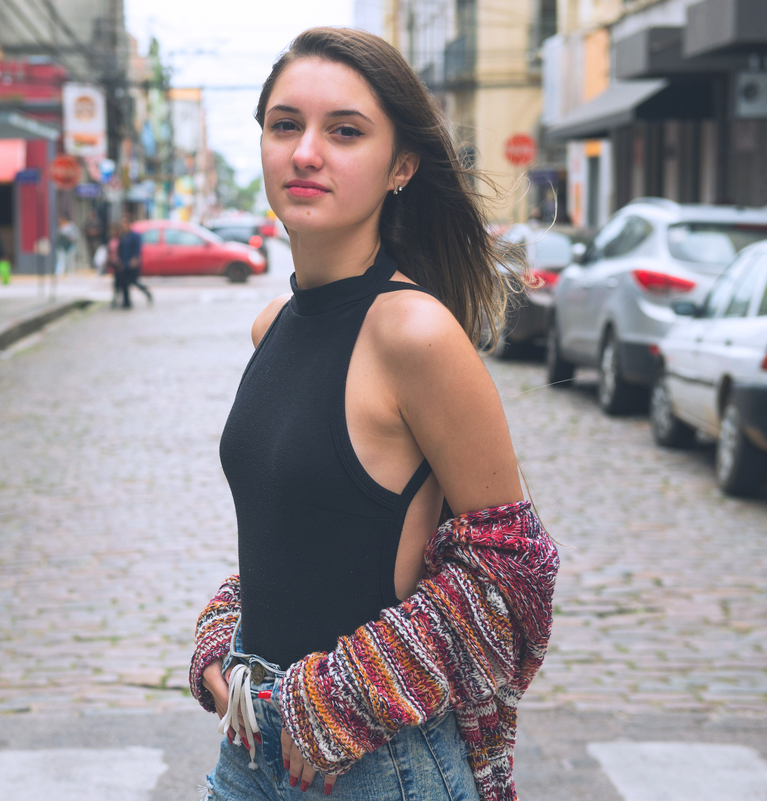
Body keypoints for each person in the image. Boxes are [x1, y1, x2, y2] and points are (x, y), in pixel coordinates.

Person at [187, 28, 559, 801]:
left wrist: (338, 702)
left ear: (401, 166)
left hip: (374, 765)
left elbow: (514, 570)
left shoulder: (413, 332)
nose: (306, 151)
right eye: (285, 125)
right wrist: (228, 634)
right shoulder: (272, 323)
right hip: (252, 744)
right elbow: (300, 528)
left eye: (345, 131)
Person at [116, 215, 152, 308]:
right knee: (124, 283)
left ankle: (146, 292)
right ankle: (126, 302)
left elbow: (137, 249)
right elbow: (121, 249)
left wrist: (135, 259)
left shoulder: (135, 236)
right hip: (124, 263)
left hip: (132, 263)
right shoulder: (123, 236)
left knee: (133, 282)